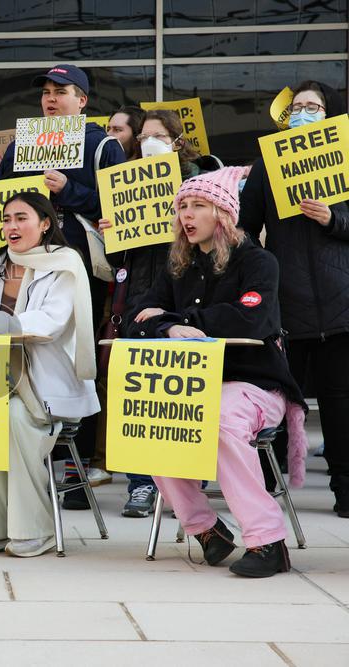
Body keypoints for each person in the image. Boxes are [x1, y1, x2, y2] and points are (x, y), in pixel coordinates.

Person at [126, 167, 309, 577]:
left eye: (198, 206)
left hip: (256, 383)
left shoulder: (259, 261)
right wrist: (169, 326)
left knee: (223, 419)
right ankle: (207, 530)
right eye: (183, 207)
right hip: (193, 383)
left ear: (223, 213)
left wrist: (182, 318)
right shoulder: (178, 267)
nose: (186, 216)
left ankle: (268, 542)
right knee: (150, 420)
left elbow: (251, 319)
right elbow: (131, 317)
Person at [0, 64, 125, 509]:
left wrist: (70, 189)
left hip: (80, 267)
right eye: (46, 92)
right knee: (25, 354)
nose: (50, 99)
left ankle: (78, 465)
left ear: (82, 100)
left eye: (61, 91)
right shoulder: (19, 147)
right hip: (26, 267)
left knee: (75, 355)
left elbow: (118, 208)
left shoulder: (101, 146)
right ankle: (32, 457)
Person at [0, 192, 100, 556]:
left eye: (21, 218)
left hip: (45, 384)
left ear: (46, 223)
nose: (12, 226)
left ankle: (34, 529)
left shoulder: (65, 263)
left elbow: (51, 321)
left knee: (16, 418)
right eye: (6, 219)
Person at [239, 80, 349, 518]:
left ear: (329, 114)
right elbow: (246, 225)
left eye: (313, 106)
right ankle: (266, 486)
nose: (304, 112)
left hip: (341, 302)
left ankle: (345, 488)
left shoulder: (344, 156)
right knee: (277, 399)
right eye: (297, 107)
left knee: (341, 402)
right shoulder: (269, 161)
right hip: (286, 302)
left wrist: (334, 218)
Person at [95, 108, 207, 517]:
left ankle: (187, 485)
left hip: (188, 296)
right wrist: (112, 234)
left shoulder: (198, 182)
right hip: (141, 297)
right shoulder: (124, 184)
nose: (148, 143)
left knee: (183, 397)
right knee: (141, 397)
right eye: (142, 137)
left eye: (157, 135)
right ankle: (141, 485)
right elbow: (118, 259)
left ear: (177, 141)